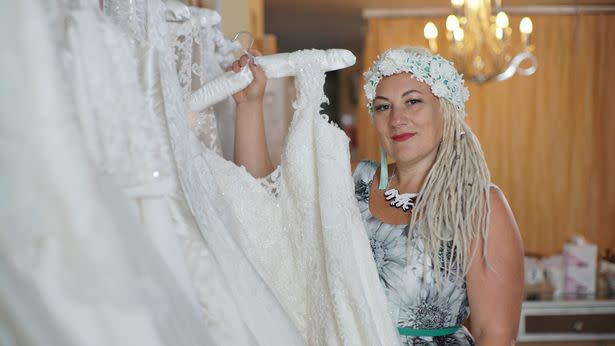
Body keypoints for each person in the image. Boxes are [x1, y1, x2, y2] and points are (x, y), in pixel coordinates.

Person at [231, 46, 524, 346]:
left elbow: (495, 334)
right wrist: (248, 105)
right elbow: (261, 200)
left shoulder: (479, 205)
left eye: (413, 101)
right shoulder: (348, 180)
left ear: (445, 110)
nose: (397, 118)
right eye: (384, 106)